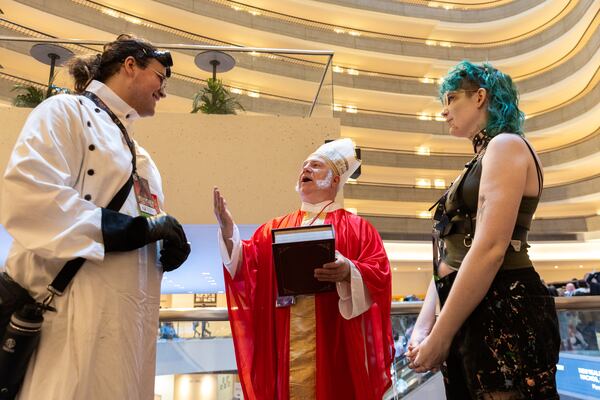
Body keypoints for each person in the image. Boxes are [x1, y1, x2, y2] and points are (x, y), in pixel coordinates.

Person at [0, 34, 191, 399]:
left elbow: (143, 222)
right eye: (160, 76)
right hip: (72, 316)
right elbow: (30, 196)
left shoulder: (139, 152)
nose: (163, 91)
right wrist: (132, 231)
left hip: (129, 327)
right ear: (130, 65)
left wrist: (166, 239)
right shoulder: (65, 111)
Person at [406, 61, 560, 399]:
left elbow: (490, 247)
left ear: (480, 96)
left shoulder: (506, 145)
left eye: (450, 99)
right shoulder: (483, 157)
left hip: (503, 307)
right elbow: (452, 253)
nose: (444, 112)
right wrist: (423, 327)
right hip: (474, 308)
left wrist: (440, 335)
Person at [213, 138, 393, 399]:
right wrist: (228, 232)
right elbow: (244, 268)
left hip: (335, 342)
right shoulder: (273, 228)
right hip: (284, 343)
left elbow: (380, 275)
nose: (305, 170)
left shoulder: (358, 228)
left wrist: (349, 271)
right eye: (304, 165)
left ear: (334, 180)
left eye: (316, 165)